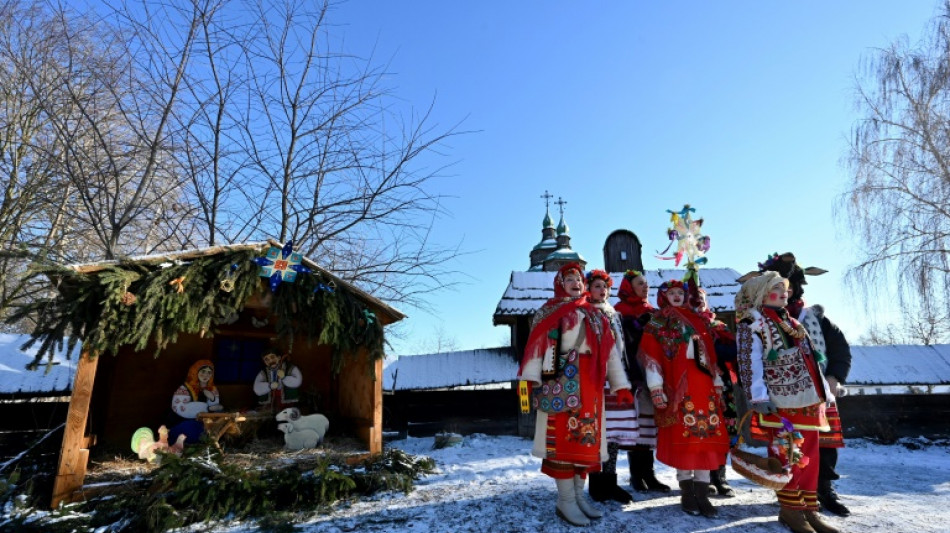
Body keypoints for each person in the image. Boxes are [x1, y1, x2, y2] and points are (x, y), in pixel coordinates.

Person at [518, 262, 634, 527]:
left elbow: (610, 353)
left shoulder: (596, 315)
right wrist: (527, 378)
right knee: (563, 442)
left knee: (585, 442)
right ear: (559, 283)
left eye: (580, 280)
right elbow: (536, 345)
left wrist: (621, 384)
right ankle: (565, 500)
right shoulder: (549, 311)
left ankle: (578, 497)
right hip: (560, 382)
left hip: (591, 385)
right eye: (570, 279)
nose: (576, 283)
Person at [734, 272, 840, 533]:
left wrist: (824, 393)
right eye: (776, 289)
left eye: (785, 289)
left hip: (807, 400)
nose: (784, 293)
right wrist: (757, 396)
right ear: (760, 293)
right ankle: (790, 510)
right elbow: (749, 363)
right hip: (780, 401)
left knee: (811, 454)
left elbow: (811, 362)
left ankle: (809, 509)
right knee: (787, 454)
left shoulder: (793, 323)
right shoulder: (753, 324)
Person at [757, 252, 852, 517]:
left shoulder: (815, 319)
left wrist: (833, 379)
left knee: (824, 444)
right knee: (785, 444)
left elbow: (840, 351)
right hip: (781, 395)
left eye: (788, 286)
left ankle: (822, 490)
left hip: (818, 394)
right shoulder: (761, 322)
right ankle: (788, 493)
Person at [637, 280, 730, 518]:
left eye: (681, 292)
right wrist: (656, 388)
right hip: (677, 387)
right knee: (685, 437)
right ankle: (687, 491)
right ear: (663, 296)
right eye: (672, 293)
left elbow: (710, 358)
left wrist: (717, 384)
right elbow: (652, 357)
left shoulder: (700, 320)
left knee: (705, 438)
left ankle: (702, 491)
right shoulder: (658, 323)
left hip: (703, 385)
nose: (677, 296)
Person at [612, 270, 671, 495]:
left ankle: (649, 474)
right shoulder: (619, 311)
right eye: (640, 284)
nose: (645, 287)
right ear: (628, 287)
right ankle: (636, 475)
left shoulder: (653, 312)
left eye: (646, 284)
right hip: (631, 373)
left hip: (652, 372)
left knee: (648, 424)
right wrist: (636, 327)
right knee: (635, 424)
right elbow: (620, 344)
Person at [585, 269, 635, 504]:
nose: (602, 290)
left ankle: (611, 481)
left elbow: (621, 347)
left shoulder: (613, 313)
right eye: (596, 286)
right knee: (596, 430)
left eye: (604, 287)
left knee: (613, 432)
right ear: (588, 289)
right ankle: (596, 483)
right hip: (595, 378)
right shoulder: (584, 312)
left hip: (616, 377)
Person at [696, 288, 738, 498]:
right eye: (694, 299)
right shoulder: (685, 326)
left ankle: (720, 477)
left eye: (701, 299)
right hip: (698, 386)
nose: (698, 302)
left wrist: (716, 342)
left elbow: (732, 352)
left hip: (722, 387)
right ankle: (703, 478)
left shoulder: (718, 326)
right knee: (703, 428)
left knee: (724, 429)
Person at [169, 359, 223, 444]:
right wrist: (207, 408)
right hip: (184, 421)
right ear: (195, 372)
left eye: (209, 373)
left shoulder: (212, 388)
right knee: (190, 430)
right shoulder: (185, 388)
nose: (206, 375)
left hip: (204, 422)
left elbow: (215, 407)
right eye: (203, 371)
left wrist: (212, 399)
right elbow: (180, 408)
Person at [253, 343, 303, 414]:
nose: (270, 361)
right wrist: (269, 386)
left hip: (288, 404)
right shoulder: (263, 373)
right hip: (270, 406)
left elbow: (298, 381)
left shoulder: (291, 368)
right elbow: (256, 388)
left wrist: (284, 378)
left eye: (272, 357)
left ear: (279, 357)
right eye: (266, 359)